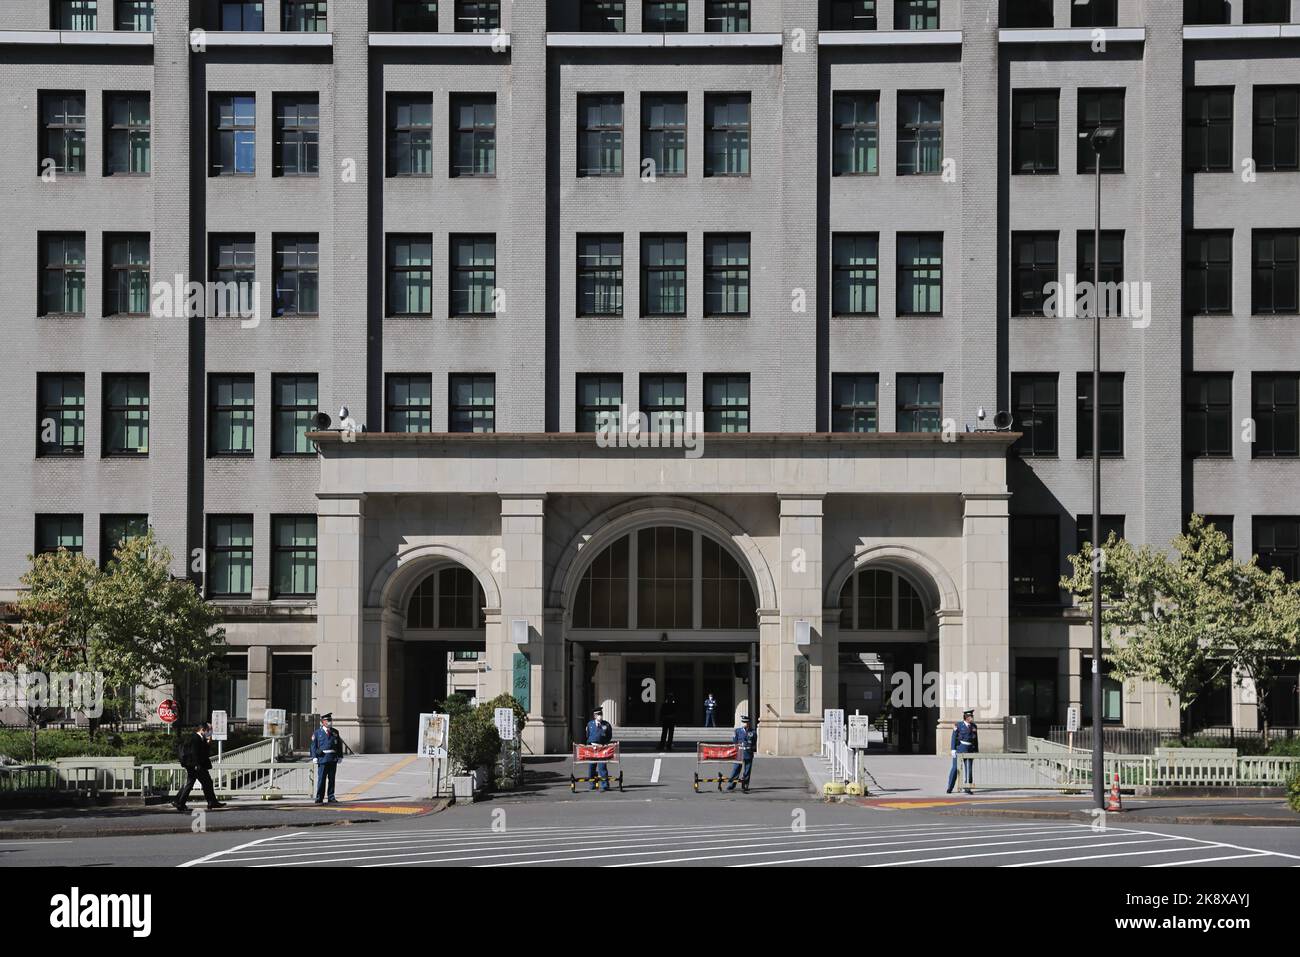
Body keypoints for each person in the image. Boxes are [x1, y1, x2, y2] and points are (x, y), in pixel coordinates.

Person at [174, 722, 224, 812]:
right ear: (202, 730)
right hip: (196, 766)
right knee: (204, 783)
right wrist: (197, 765)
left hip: (197, 766)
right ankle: (180, 802)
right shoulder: (195, 738)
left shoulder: (200, 738)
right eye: (208, 730)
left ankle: (179, 802)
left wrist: (208, 742)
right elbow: (194, 753)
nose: (209, 732)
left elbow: (204, 752)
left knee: (200, 783)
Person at [310, 712, 346, 804]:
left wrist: (340, 756)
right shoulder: (317, 733)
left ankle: (331, 796)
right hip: (322, 759)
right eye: (328, 720)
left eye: (330, 720)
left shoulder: (335, 732)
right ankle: (319, 797)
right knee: (321, 779)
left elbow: (339, 745)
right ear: (323, 722)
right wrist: (314, 757)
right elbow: (313, 746)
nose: (330, 722)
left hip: (332, 758)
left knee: (332, 779)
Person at [946, 709, 979, 794]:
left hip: (970, 749)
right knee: (955, 768)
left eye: (972, 716)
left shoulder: (974, 726)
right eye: (970, 716)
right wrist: (953, 749)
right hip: (960, 749)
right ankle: (950, 786)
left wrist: (976, 750)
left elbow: (976, 740)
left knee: (969, 769)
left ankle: (967, 787)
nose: (972, 718)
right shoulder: (959, 725)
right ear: (966, 717)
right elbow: (954, 737)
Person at [585, 707, 613, 791]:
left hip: (602, 748)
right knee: (591, 766)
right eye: (598, 714)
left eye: (601, 714)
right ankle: (592, 783)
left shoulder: (606, 724)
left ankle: (605, 784)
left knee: (602, 766)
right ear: (594, 716)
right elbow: (587, 735)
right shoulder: (590, 724)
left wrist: (604, 743)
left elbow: (609, 735)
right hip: (592, 748)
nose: (600, 716)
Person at [726, 715, 756, 792]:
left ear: (749, 723)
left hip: (748, 753)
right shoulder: (737, 731)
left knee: (747, 770)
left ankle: (745, 784)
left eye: (746, 722)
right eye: (743, 722)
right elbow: (735, 741)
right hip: (739, 752)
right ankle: (731, 784)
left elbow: (754, 742)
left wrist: (751, 749)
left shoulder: (752, 732)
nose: (744, 723)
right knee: (736, 769)